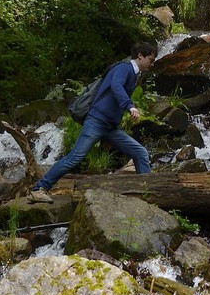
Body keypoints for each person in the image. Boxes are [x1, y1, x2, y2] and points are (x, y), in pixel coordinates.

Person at [33, 43, 158, 193]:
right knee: (74, 158)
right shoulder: (124, 68)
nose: (151, 64)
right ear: (140, 55)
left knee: (140, 153)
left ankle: (147, 191)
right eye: (151, 60)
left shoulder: (133, 73)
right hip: (97, 121)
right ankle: (40, 188)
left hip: (110, 127)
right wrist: (130, 106)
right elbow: (116, 86)